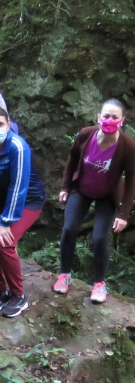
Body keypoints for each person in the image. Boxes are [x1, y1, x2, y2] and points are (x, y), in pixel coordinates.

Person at [53, 99, 135, 304]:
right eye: (106, 116)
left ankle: (99, 283)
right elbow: (72, 159)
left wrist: (124, 214)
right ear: (98, 117)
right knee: (70, 228)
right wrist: (65, 187)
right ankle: (64, 274)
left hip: (107, 195)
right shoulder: (85, 134)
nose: (109, 120)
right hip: (81, 189)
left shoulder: (127, 145)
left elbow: (132, 180)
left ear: (122, 121)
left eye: (114, 117)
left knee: (99, 238)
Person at [0, 106, 45, 318]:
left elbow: (19, 186)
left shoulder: (18, 147)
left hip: (26, 201)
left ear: (8, 125)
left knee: (3, 242)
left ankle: (19, 296)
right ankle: (0, 290)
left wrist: (6, 221)